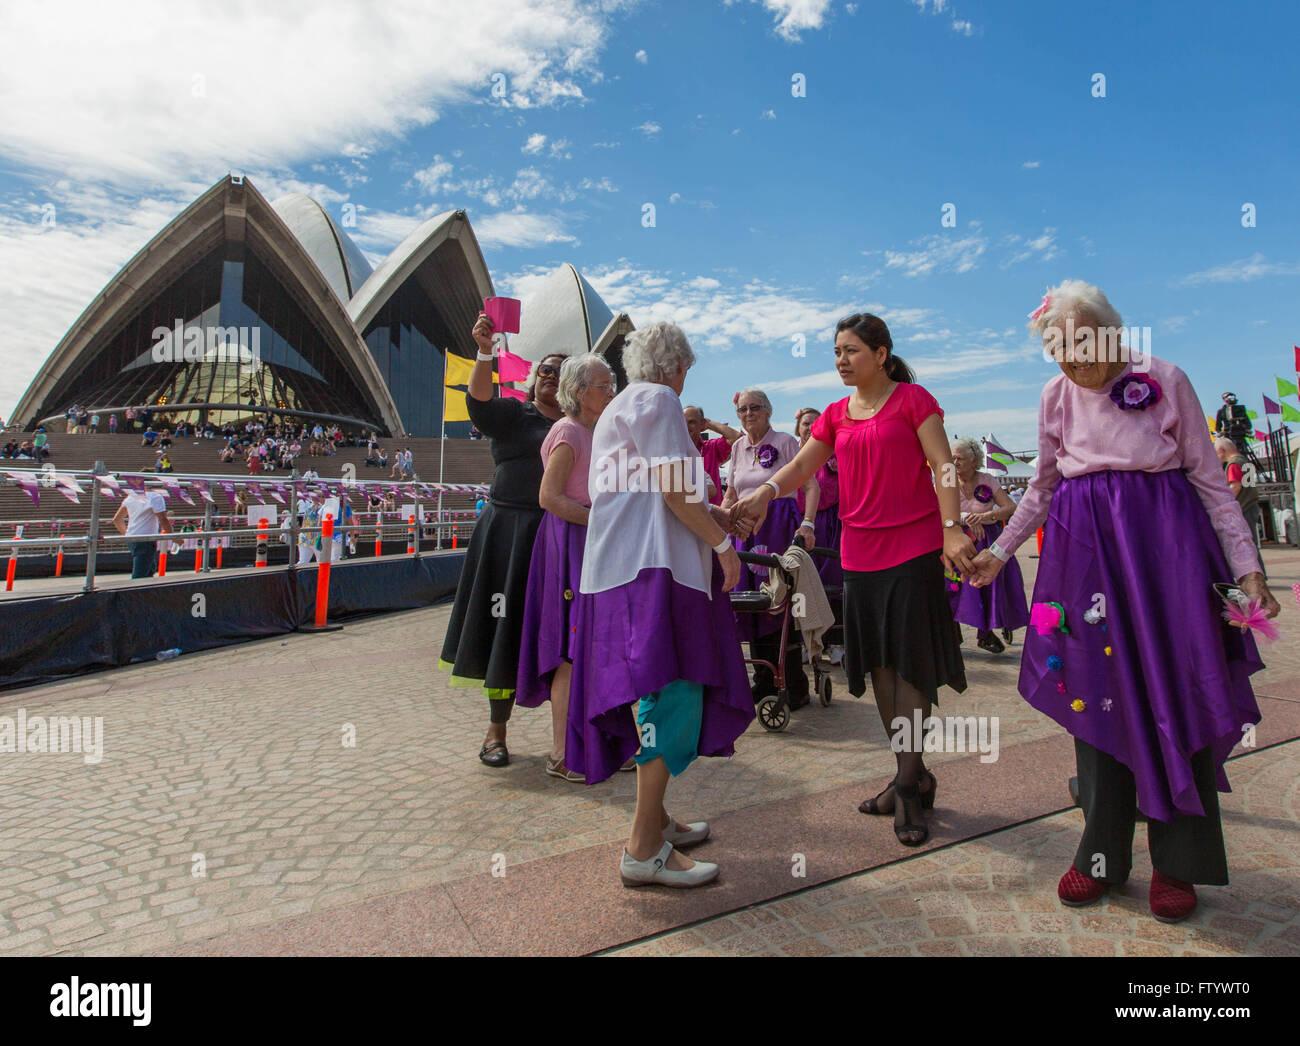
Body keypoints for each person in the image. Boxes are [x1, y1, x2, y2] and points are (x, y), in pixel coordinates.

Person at [968, 280, 1280, 923]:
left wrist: (1249, 572)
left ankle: (1177, 865)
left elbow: (1210, 485)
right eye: (1056, 349)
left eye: (1080, 344)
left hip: (1166, 557)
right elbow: (1042, 489)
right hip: (1083, 563)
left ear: (1113, 331)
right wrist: (998, 553)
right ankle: (1100, 857)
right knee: (1095, 693)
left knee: (1179, 691)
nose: (1071, 361)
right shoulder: (1055, 395)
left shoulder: (1165, 378)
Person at [736, 312, 974, 847]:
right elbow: (801, 468)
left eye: (851, 350)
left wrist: (953, 529)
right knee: (883, 672)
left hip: (913, 552)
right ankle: (910, 771)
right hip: (859, 557)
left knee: (911, 670)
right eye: (837, 352)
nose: (841, 360)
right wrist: (765, 492)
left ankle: (908, 788)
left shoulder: (915, 402)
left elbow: (943, 468)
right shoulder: (837, 414)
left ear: (881, 354)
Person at [568, 321, 753, 887]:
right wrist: (723, 546)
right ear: (676, 367)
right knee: (670, 694)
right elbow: (673, 492)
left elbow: (653, 491)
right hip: (655, 572)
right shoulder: (659, 401)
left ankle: (658, 821)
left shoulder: (622, 405)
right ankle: (643, 848)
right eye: (687, 368)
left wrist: (713, 517)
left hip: (621, 570)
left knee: (656, 690)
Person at [439, 313, 566, 768]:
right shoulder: (516, 414)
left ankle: (566, 737)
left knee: (562, 630)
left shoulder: (581, 425)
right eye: (545, 370)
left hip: (559, 535)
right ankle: (496, 730)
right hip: (509, 534)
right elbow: (479, 404)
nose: (552, 376)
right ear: (533, 380)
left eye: (561, 371)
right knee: (504, 629)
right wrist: (484, 352)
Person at [516, 354, 617, 782]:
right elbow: (549, 497)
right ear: (578, 391)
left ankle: (605, 744)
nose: (611, 391)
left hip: (597, 542)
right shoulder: (567, 430)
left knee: (598, 648)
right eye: (602, 385)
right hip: (572, 544)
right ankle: (562, 754)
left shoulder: (601, 432)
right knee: (570, 654)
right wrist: (604, 522)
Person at [721, 387, 818, 711]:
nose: (749, 413)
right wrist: (719, 522)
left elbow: (810, 485)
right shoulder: (736, 447)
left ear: (768, 411)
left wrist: (807, 523)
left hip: (778, 525)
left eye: (756, 407)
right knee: (752, 605)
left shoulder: (785, 443)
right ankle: (762, 682)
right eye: (743, 409)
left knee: (780, 602)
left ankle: (793, 683)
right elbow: (731, 493)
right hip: (744, 531)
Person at [948, 436, 1030, 653]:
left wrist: (987, 517)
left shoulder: (987, 480)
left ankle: (987, 632)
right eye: (952, 459)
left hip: (989, 539)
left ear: (975, 461)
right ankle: (952, 633)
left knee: (990, 585)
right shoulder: (947, 481)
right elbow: (939, 510)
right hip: (958, 538)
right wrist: (967, 518)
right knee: (953, 585)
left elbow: (1009, 507)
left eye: (960, 459)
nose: (955, 463)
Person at [1216, 437, 1264, 565]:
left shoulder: (1234, 464)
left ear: (1222, 449)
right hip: (1252, 503)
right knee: (1252, 542)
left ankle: (1254, 571)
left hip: (1243, 505)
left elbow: (1235, 486)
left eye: (1217, 452)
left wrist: (1225, 504)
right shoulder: (1245, 461)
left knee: (1245, 542)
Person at [683, 406, 740, 506]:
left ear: (702, 424)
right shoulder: (673, 450)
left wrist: (709, 424)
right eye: (683, 422)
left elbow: (736, 437)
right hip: (684, 514)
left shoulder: (711, 447)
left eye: (691, 422)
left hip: (713, 516)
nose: (686, 426)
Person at [113, 486, 173, 579]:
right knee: (140, 573)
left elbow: (117, 519)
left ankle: (145, 591)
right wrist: (175, 538)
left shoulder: (131, 496)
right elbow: (163, 519)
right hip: (145, 539)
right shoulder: (155, 497)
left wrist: (127, 534)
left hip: (132, 537)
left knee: (149, 568)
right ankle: (133, 592)